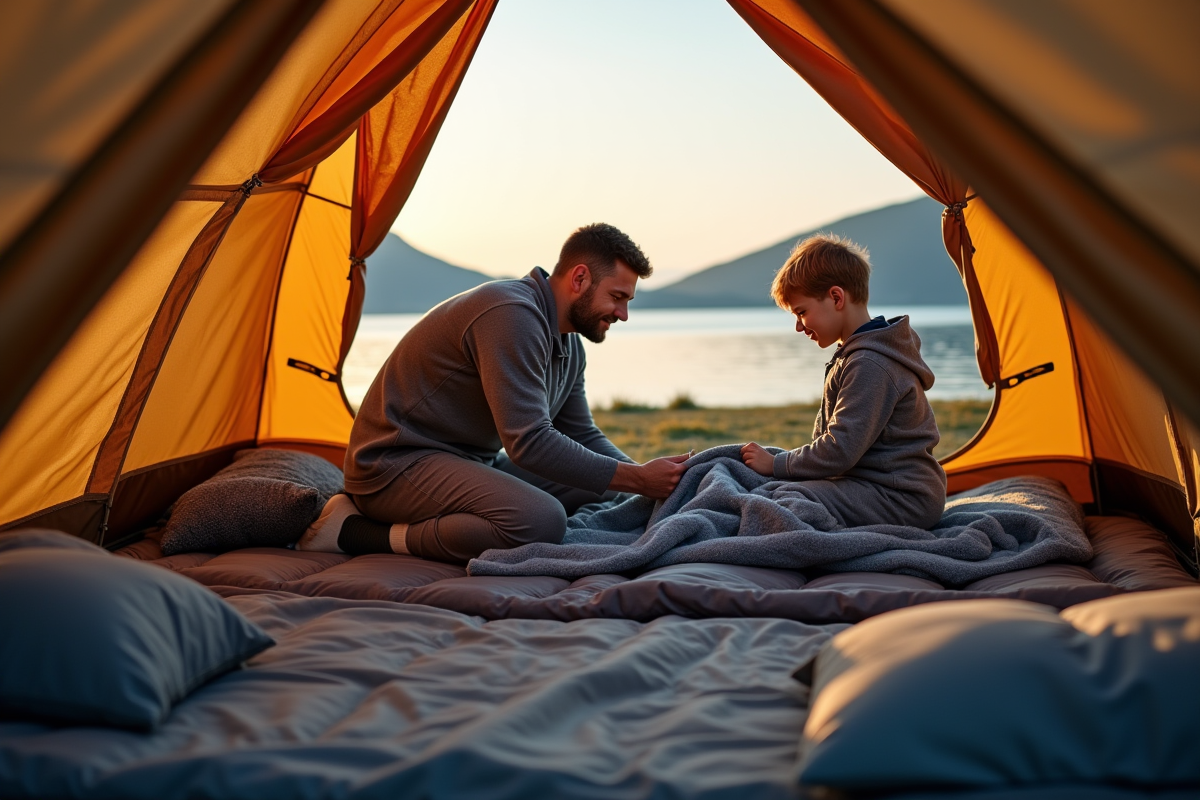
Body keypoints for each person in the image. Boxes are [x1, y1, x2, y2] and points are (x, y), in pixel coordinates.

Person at [298, 223, 688, 563]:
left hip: (469, 463)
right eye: (617, 297)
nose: (623, 314)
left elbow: (581, 434)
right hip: (392, 467)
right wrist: (638, 481)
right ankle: (353, 531)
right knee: (541, 520)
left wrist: (646, 481)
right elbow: (529, 443)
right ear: (580, 278)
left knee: (600, 484)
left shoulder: (570, 345)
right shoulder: (510, 315)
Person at [740, 234, 946, 529]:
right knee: (770, 490)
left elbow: (839, 449)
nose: (799, 327)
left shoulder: (870, 364)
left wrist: (777, 464)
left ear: (836, 298)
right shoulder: (859, 355)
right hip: (871, 487)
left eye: (802, 312)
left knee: (783, 499)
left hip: (902, 498)